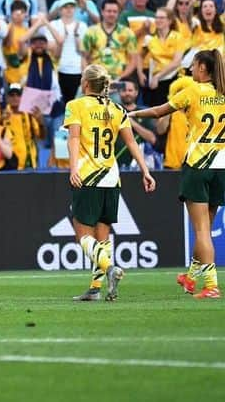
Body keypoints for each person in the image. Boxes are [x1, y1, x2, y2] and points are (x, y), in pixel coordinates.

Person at [130, 50, 225, 300]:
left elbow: (160, 112)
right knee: (206, 225)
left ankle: (212, 285)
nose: (190, 70)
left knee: (201, 230)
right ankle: (190, 277)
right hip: (221, 167)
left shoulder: (193, 91)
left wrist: (132, 114)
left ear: (203, 68)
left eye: (193, 65)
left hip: (198, 165)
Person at [65, 64, 157, 302]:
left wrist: (73, 167)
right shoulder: (117, 108)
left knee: (82, 235)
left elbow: (74, 139)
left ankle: (110, 269)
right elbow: (133, 143)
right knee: (102, 237)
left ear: (85, 84)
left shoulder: (75, 106)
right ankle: (96, 288)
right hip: (112, 177)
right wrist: (145, 171)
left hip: (88, 175)